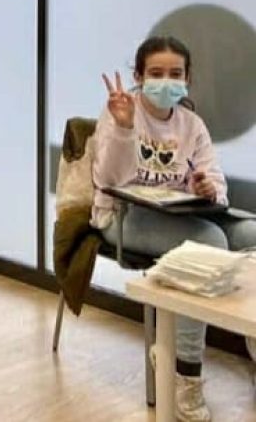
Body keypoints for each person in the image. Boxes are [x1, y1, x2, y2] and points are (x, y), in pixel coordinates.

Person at [93, 36, 256, 422]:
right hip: (122, 216)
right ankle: (186, 374)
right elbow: (109, 181)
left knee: (250, 235)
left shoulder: (192, 124)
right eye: (156, 73)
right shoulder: (121, 110)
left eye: (175, 73)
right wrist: (123, 129)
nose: (166, 81)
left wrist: (206, 188)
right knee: (208, 242)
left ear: (187, 78)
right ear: (138, 76)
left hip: (180, 214)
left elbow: (215, 183)